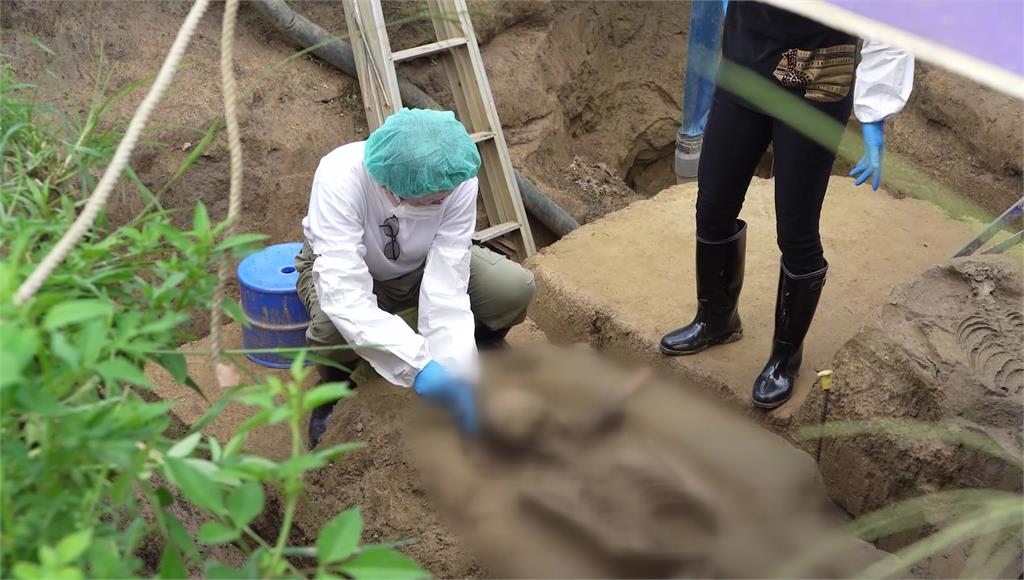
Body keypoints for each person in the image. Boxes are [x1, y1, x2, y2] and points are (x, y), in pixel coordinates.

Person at [659, 3, 914, 409]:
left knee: (796, 231)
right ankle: (716, 319)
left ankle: (784, 358)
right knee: (712, 206)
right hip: (745, 64)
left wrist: (875, 116)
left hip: (817, 78)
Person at [296, 108, 536, 447]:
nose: (446, 200)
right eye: (435, 200)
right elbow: (344, 290)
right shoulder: (340, 176)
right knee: (329, 332)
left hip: (423, 262)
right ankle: (334, 386)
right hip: (354, 267)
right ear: (391, 189)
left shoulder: (456, 176)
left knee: (513, 288)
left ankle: (483, 342)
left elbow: (447, 280)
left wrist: (458, 373)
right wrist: (419, 365)